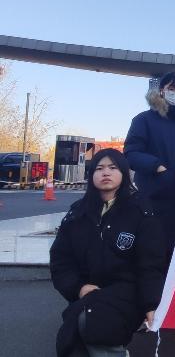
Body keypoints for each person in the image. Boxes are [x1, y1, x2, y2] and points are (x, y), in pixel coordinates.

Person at [50, 149, 167, 357]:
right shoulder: (77, 213)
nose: (106, 173)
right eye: (99, 168)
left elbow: (151, 263)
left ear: (123, 174)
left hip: (126, 292)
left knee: (95, 324)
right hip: (88, 292)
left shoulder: (140, 211)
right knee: (70, 339)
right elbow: (61, 260)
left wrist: (151, 303)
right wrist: (78, 287)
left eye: (113, 168)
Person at [124, 71, 175, 257]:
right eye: (172, 89)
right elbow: (131, 153)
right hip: (155, 198)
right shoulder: (144, 119)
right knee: (154, 250)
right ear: (161, 90)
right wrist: (156, 166)